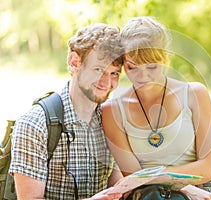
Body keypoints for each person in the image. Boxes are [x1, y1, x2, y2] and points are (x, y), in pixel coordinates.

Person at [102, 16, 211, 200]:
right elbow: (132, 177)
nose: (142, 76)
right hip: (146, 195)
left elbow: (208, 168)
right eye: (132, 67)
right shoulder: (112, 111)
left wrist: (164, 180)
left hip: (201, 192)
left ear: (165, 58)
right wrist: (183, 186)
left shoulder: (194, 94)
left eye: (151, 66)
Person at [9, 23, 125, 199]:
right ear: (74, 63)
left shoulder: (114, 120)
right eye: (98, 69)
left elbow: (116, 188)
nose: (106, 82)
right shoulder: (35, 124)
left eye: (114, 73)